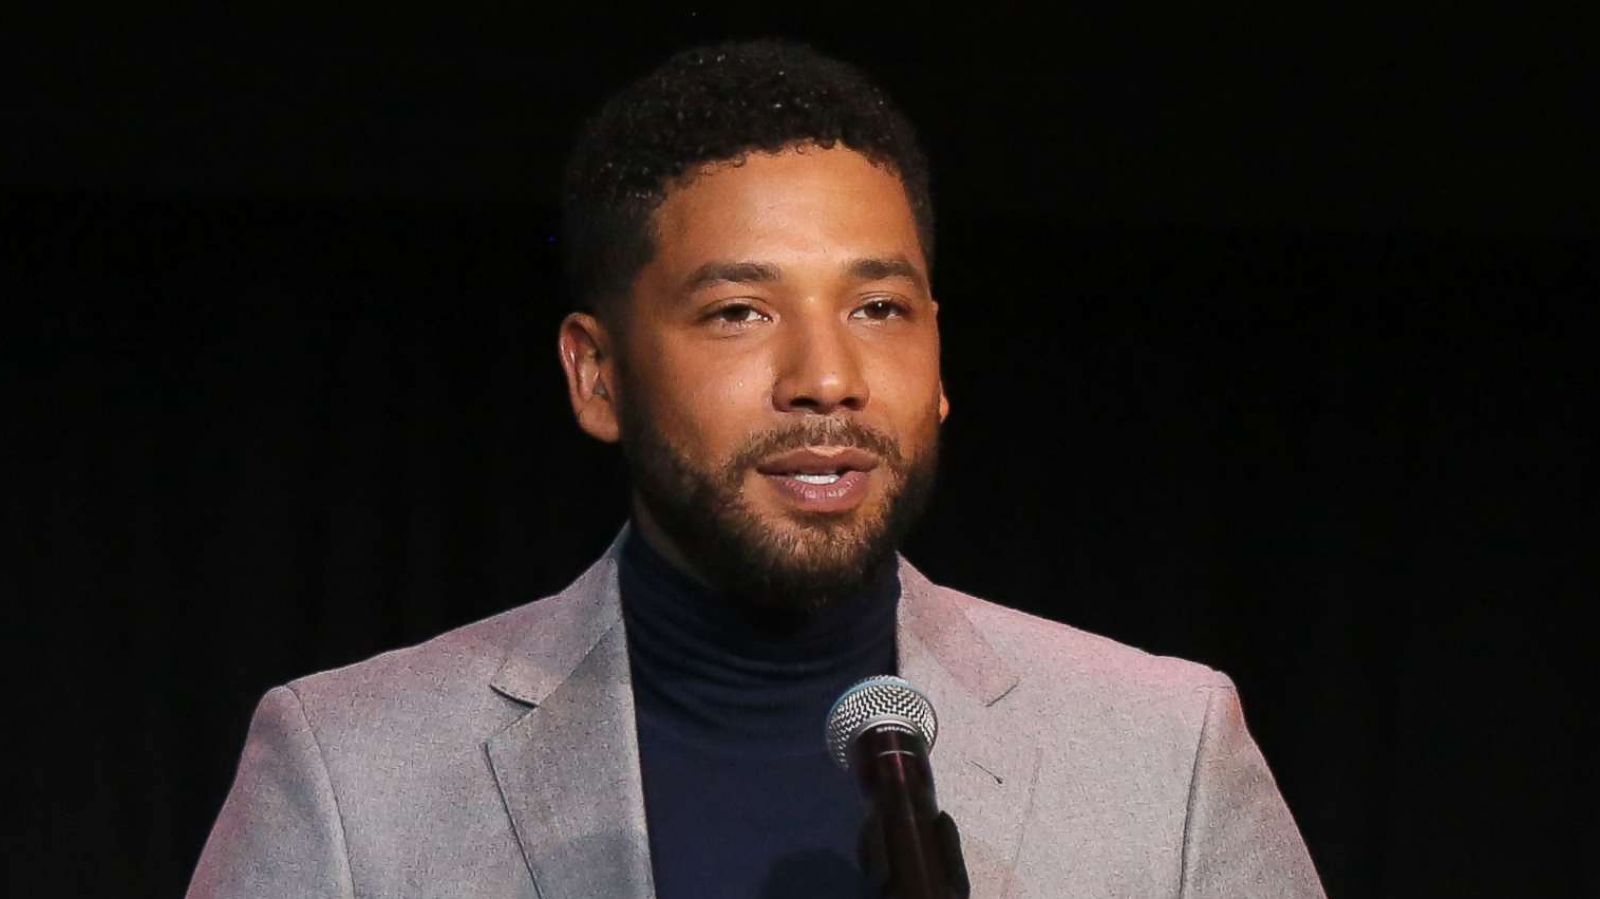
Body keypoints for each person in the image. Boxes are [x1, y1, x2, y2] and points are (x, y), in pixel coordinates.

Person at [188, 40, 1325, 898]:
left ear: (937, 356)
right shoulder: (352, 771)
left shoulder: (1162, 748)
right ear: (596, 375)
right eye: (738, 310)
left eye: (877, 307)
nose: (825, 376)